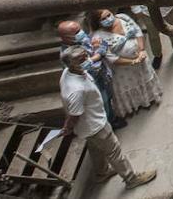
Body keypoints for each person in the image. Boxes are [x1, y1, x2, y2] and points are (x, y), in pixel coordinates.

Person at [60, 47, 157, 190]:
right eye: (82, 59)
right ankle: (131, 178)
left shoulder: (68, 72)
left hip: (88, 127)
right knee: (114, 152)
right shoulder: (76, 89)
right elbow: (74, 115)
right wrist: (67, 128)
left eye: (86, 55)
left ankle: (102, 173)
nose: (87, 59)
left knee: (95, 148)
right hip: (95, 126)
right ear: (72, 64)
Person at [87, 9, 163, 119]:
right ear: (97, 22)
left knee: (143, 78)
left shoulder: (123, 17)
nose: (108, 19)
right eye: (103, 19)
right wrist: (133, 61)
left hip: (141, 60)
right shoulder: (97, 37)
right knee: (130, 85)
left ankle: (149, 98)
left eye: (109, 15)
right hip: (123, 70)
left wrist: (141, 50)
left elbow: (137, 31)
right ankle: (134, 105)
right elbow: (111, 58)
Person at [56, 19, 125, 130]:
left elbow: (103, 45)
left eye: (80, 30)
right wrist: (98, 53)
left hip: (102, 76)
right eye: (77, 32)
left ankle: (112, 118)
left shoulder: (81, 40)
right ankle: (109, 125)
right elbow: (90, 68)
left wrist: (97, 52)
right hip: (92, 82)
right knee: (102, 103)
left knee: (109, 98)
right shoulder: (67, 55)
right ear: (65, 37)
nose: (81, 33)